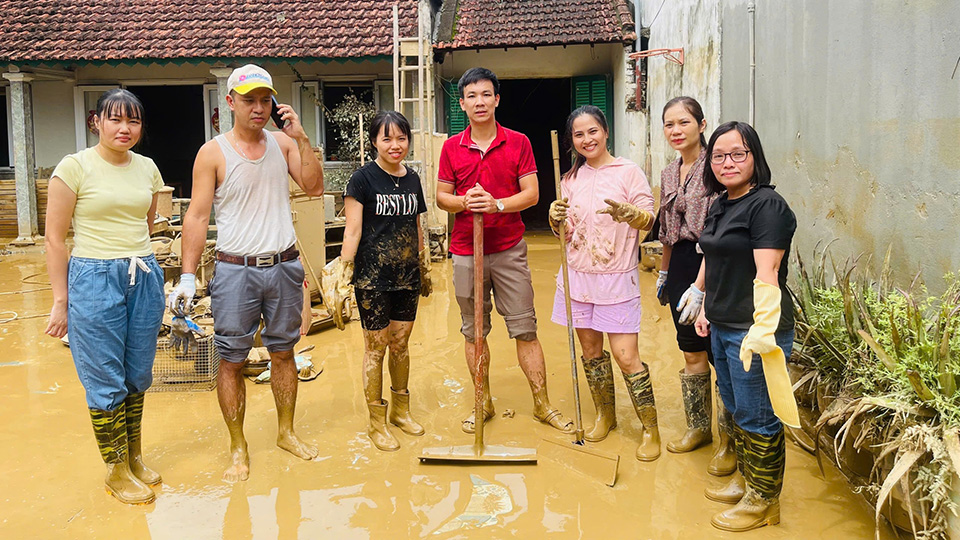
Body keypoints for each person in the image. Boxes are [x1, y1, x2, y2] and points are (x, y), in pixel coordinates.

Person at [168, 64, 324, 482]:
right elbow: (198, 217)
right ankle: (238, 446)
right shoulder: (213, 152)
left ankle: (286, 432)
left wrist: (302, 139)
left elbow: (314, 187)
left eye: (265, 100)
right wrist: (187, 276)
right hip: (236, 270)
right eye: (249, 99)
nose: (258, 108)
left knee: (284, 352)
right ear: (231, 102)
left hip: (284, 265)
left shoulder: (283, 144)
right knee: (232, 361)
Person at [44, 89, 166, 504]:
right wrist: (61, 301)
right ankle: (114, 469)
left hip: (143, 273)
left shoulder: (147, 168)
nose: (124, 128)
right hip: (94, 276)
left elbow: (146, 222)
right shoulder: (74, 167)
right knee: (104, 378)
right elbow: (54, 239)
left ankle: (133, 457)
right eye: (115, 119)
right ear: (97, 121)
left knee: (137, 373)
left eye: (133, 121)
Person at [436, 67, 573, 434]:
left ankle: (542, 404)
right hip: (467, 251)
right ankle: (483, 402)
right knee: (473, 332)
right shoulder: (452, 147)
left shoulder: (518, 142)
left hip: (509, 248)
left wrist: (496, 204)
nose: (479, 102)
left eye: (486, 94)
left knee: (525, 328)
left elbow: (532, 194)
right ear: (462, 104)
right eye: (471, 96)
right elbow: (441, 197)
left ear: (497, 99)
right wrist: (466, 202)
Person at [679, 121, 798, 532]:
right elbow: (716, 257)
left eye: (738, 154)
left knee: (758, 417)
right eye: (718, 156)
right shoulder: (720, 204)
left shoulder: (768, 206)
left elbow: (768, 272)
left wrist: (762, 329)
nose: (727, 163)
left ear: (755, 157)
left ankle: (764, 502)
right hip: (724, 324)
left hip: (756, 330)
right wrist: (703, 302)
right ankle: (748, 481)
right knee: (735, 407)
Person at [547, 105, 661, 461]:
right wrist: (554, 219)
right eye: (579, 135)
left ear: (606, 131)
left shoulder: (628, 172)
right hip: (577, 277)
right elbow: (565, 234)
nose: (586, 140)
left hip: (616, 278)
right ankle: (605, 415)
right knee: (591, 353)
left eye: (592, 131)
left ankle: (650, 429)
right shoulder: (568, 178)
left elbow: (649, 218)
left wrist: (632, 214)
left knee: (626, 356)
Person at [338, 111, 431, 451]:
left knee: (402, 343)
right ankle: (377, 422)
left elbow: (416, 226)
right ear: (375, 142)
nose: (395, 145)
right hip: (372, 277)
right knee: (375, 347)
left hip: (407, 275)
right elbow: (353, 228)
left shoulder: (414, 179)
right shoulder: (362, 179)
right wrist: (343, 271)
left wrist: (425, 265)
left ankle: (400, 412)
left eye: (401, 138)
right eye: (387, 138)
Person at [657, 97, 736, 475]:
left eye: (683, 122)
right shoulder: (669, 173)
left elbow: (719, 230)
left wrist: (702, 288)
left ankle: (730, 443)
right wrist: (663, 273)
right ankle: (699, 428)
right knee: (691, 351)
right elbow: (667, 232)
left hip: (715, 265)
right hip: (682, 265)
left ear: (702, 125)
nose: (676, 131)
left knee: (720, 352)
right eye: (669, 124)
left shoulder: (716, 167)